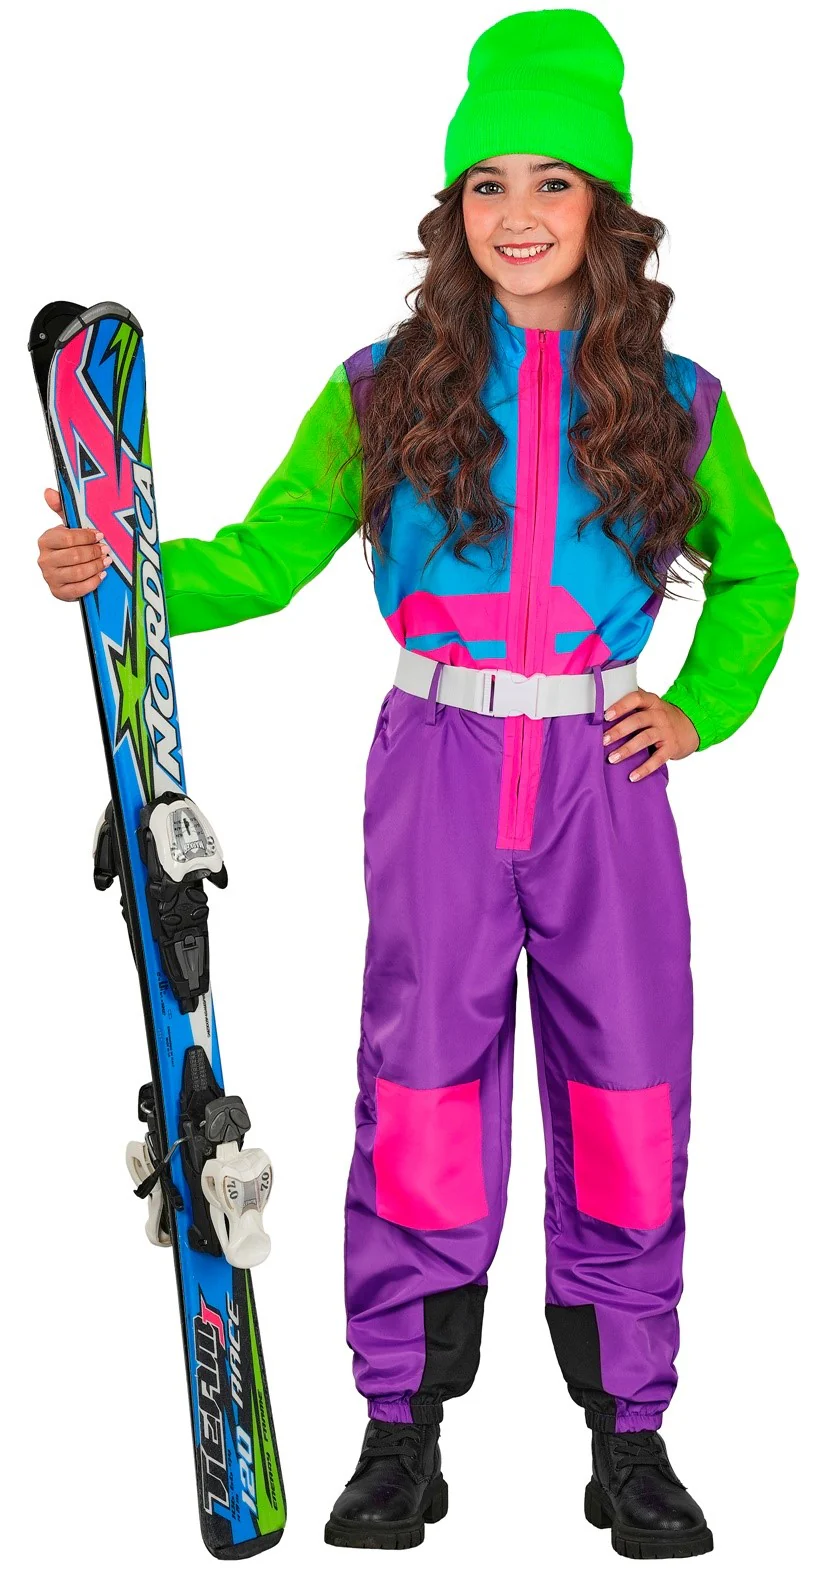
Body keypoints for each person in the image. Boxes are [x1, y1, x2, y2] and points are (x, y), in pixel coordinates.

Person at [36, 7, 798, 1560]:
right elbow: (267, 556)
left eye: (553, 183)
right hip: (439, 767)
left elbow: (765, 575)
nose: (518, 214)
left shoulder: (681, 400)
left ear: (605, 208)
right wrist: (124, 567)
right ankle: (402, 1428)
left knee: (630, 1092)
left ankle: (630, 1436)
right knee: (424, 1088)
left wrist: (695, 709)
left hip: (601, 776)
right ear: (454, 208)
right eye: (488, 184)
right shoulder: (387, 387)